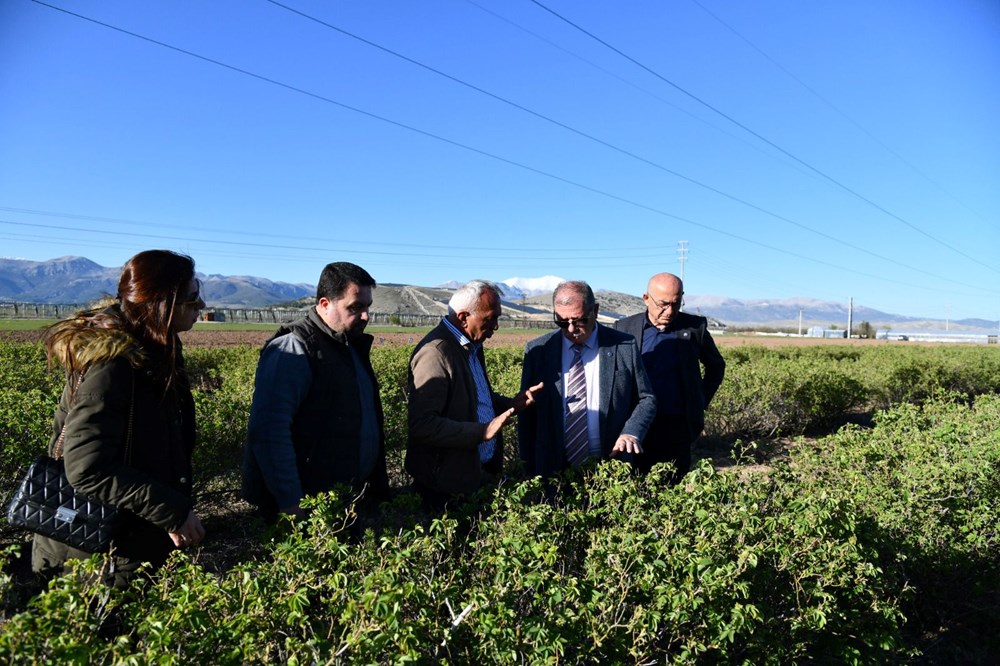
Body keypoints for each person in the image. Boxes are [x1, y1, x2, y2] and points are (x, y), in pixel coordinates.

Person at [31, 250, 206, 587]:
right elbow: (86, 467)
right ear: (162, 304)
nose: (200, 306)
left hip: (125, 538)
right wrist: (172, 511)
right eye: (192, 297)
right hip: (94, 552)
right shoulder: (113, 366)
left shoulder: (156, 349)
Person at [242, 262, 389, 520]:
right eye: (355, 307)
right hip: (308, 506)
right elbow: (269, 433)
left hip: (345, 497)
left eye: (368, 307)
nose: (365, 316)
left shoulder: (349, 346)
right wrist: (291, 503)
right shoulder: (293, 349)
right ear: (324, 304)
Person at [405, 280, 541, 507]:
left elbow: (473, 399)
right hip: (446, 486)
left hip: (473, 474)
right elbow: (423, 425)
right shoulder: (435, 353)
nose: (495, 326)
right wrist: (482, 431)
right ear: (463, 317)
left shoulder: (471, 345)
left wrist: (511, 404)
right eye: (490, 319)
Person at [518, 280, 656, 480]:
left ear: (595, 310)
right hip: (552, 467)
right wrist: (528, 467)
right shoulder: (538, 351)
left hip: (611, 464)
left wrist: (631, 432)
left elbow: (646, 398)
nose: (571, 329)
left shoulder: (623, 345)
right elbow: (527, 412)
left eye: (579, 320)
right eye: (562, 322)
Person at [614, 272, 725, 480]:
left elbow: (716, 366)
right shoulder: (624, 328)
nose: (670, 311)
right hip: (635, 425)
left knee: (673, 482)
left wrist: (700, 400)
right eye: (663, 304)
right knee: (631, 482)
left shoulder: (694, 328)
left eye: (676, 303)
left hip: (677, 425)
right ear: (646, 298)